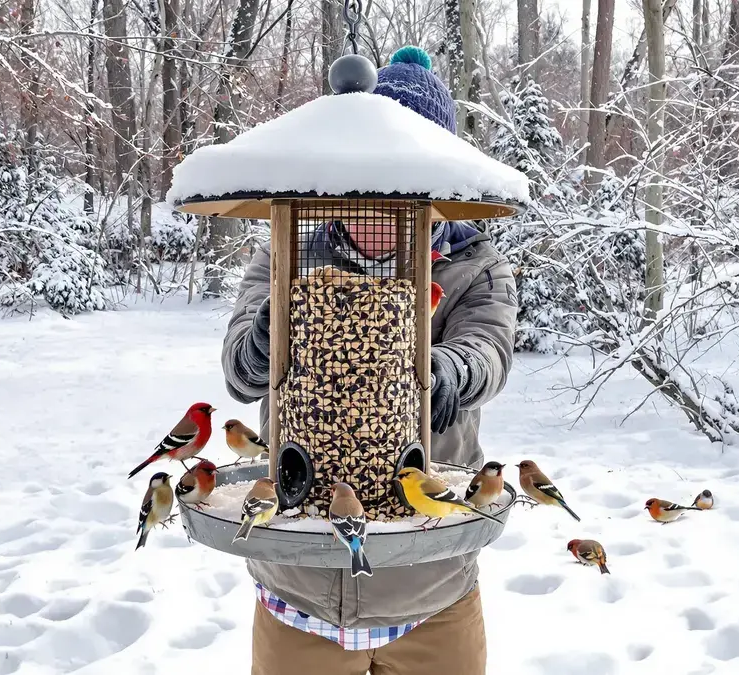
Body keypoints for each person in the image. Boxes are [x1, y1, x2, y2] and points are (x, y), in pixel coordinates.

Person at [221, 46, 518, 675]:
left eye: (410, 193)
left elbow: (488, 352)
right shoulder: (287, 248)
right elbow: (240, 373)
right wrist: (276, 328)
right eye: (374, 190)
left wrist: (441, 373)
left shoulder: (476, 267)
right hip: (299, 588)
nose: (385, 211)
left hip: (430, 588)